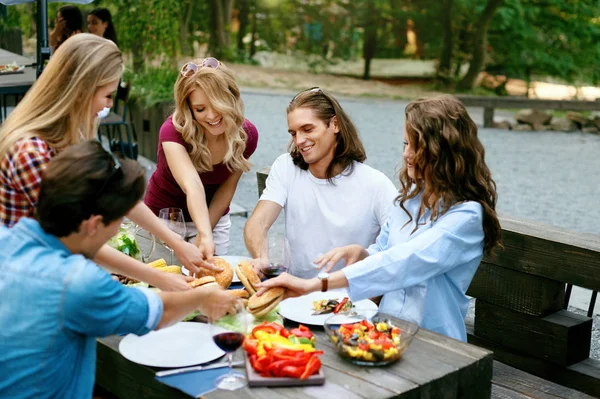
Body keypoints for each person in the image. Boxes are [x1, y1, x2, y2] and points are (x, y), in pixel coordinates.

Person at [0, 141, 238, 399]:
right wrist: (203, 296)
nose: (115, 232)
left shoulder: (8, 238)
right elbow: (161, 311)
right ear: (94, 224)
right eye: (117, 222)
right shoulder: (77, 281)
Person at [258, 95, 502, 342]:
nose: (407, 154)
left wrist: (315, 285)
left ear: (443, 151)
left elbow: (404, 262)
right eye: (405, 144)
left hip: (436, 342)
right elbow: (384, 250)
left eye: (416, 146)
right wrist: (362, 253)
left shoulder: (467, 217)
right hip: (384, 334)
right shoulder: (408, 201)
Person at [0, 34, 217, 291]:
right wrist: (158, 278)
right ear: (81, 90)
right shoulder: (31, 152)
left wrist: (177, 244)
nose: (108, 106)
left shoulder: (69, 137)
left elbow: (116, 194)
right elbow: (77, 238)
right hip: (24, 285)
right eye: (107, 95)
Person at [244, 87, 397, 279]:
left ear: (335, 125)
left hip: (350, 301)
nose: (299, 140)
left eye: (308, 129)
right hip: (295, 292)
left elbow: (399, 249)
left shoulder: (376, 184)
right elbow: (257, 223)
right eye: (293, 133)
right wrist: (261, 257)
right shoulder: (286, 167)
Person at [144, 57, 259, 259]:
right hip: (164, 217)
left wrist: (205, 233)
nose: (212, 115)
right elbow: (193, 185)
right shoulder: (172, 131)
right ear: (189, 108)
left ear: (231, 99)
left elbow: (226, 189)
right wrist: (204, 233)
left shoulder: (246, 135)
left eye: (218, 104)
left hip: (213, 219)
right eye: (200, 109)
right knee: (166, 284)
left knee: (211, 284)